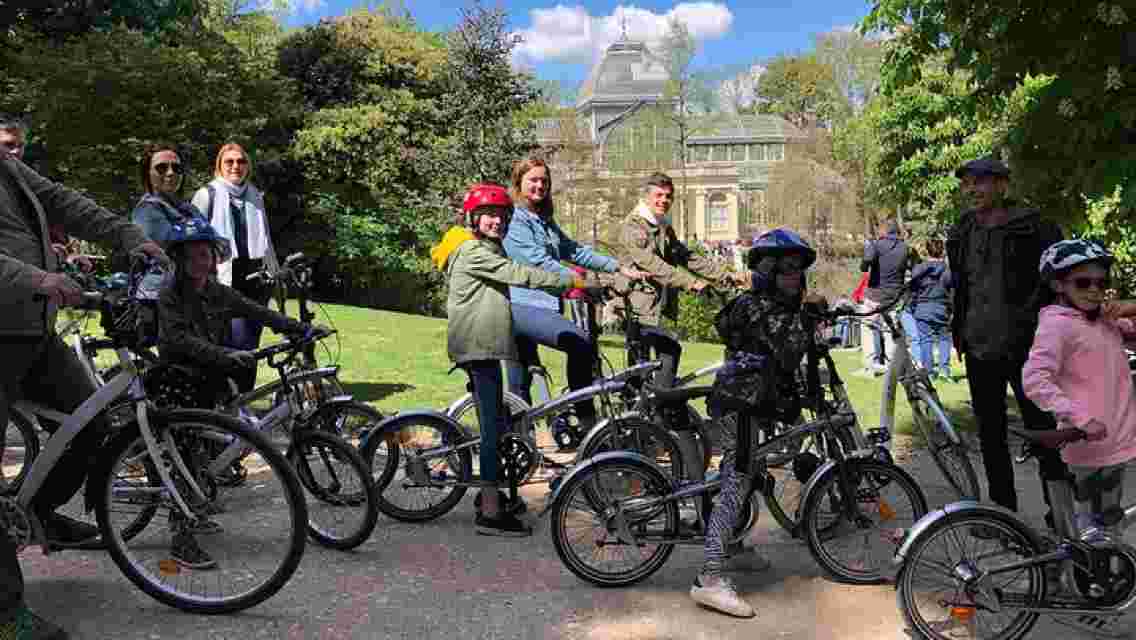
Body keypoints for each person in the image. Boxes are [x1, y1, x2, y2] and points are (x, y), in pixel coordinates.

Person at [0, 152, 167, 640]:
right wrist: (41, 279)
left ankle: (35, 514)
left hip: (33, 330)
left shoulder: (7, 167)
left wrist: (128, 234)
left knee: (92, 422)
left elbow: (60, 200)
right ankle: (7, 618)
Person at [431, 183, 591, 535]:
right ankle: (489, 512)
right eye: (490, 215)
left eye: (503, 216)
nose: (497, 222)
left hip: (484, 344)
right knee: (491, 429)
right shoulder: (474, 251)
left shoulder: (485, 246)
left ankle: (491, 495)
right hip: (479, 346)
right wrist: (571, 282)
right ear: (473, 218)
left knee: (499, 422)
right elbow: (521, 275)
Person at [157, 216, 308, 566]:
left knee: (205, 454)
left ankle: (196, 509)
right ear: (179, 259)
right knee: (186, 460)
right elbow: (178, 339)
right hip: (178, 381)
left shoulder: (215, 290)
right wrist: (225, 355)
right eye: (193, 255)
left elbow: (254, 310)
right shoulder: (170, 293)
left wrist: (298, 328)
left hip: (208, 381)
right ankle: (181, 539)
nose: (201, 261)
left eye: (206, 254)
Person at [694, 228, 825, 618]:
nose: (794, 277)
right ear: (766, 271)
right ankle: (710, 578)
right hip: (742, 406)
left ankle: (730, 547)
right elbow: (787, 350)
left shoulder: (771, 306)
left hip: (752, 403)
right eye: (785, 269)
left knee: (748, 476)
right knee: (736, 483)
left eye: (798, 271)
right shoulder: (758, 307)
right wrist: (809, 317)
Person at [948, 155, 1067, 520]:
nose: (972, 190)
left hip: (1027, 346)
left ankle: (1059, 513)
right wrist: (961, 329)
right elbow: (961, 284)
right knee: (990, 434)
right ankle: (1004, 514)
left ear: (1002, 184)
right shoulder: (963, 229)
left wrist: (1036, 322)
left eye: (980, 182)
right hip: (979, 345)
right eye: (968, 183)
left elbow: (1057, 280)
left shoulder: (1034, 226)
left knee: (1042, 429)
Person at [502, 157, 648, 449]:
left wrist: (618, 267)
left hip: (541, 306)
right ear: (518, 183)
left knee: (520, 382)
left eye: (544, 180)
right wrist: (581, 282)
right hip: (520, 306)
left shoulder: (543, 220)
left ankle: (518, 447)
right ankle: (585, 421)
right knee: (580, 344)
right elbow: (540, 262)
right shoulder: (515, 220)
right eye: (533, 180)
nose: (540, 185)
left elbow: (574, 250)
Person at [1023, 239, 1136, 539]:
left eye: (1102, 282)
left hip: (1115, 445)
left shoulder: (1104, 322)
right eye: (1083, 282)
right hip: (1087, 447)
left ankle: (1104, 579)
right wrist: (1080, 417)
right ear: (1058, 285)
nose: (1095, 290)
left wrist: (1129, 307)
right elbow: (1035, 380)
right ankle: (1081, 581)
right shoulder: (1057, 326)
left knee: (1109, 530)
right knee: (1093, 536)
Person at [613, 172, 747, 392]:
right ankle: (648, 412)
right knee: (649, 362)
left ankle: (652, 410)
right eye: (659, 195)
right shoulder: (634, 226)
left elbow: (687, 257)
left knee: (657, 361)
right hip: (636, 306)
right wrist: (690, 283)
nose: (664, 201)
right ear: (646, 196)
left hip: (654, 307)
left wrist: (727, 276)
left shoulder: (662, 225)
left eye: (668, 196)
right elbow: (652, 264)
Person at [191, 144, 280, 386]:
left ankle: (242, 400)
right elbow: (193, 241)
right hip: (223, 277)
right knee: (228, 344)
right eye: (229, 161)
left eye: (240, 161)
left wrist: (276, 273)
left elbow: (267, 239)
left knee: (250, 345)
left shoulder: (255, 196)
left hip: (256, 279)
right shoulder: (206, 195)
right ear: (219, 165)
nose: (235, 166)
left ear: (247, 166)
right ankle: (224, 401)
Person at [860, 220, 918, 373]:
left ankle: (871, 364)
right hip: (895, 296)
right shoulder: (905, 248)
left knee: (868, 326)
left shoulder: (877, 245)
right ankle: (892, 364)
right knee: (890, 328)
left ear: (883, 231)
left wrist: (868, 248)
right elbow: (916, 269)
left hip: (875, 294)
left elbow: (864, 266)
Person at [908, 237, 953, 380]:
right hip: (941, 308)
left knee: (925, 340)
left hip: (922, 308)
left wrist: (913, 307)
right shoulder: (948, 270)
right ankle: (944, 370)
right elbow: (953, 291)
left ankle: (928, 372)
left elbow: (912, 289)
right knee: (944, 340)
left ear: (927, 251)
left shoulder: (919, 269)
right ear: (942, 251)